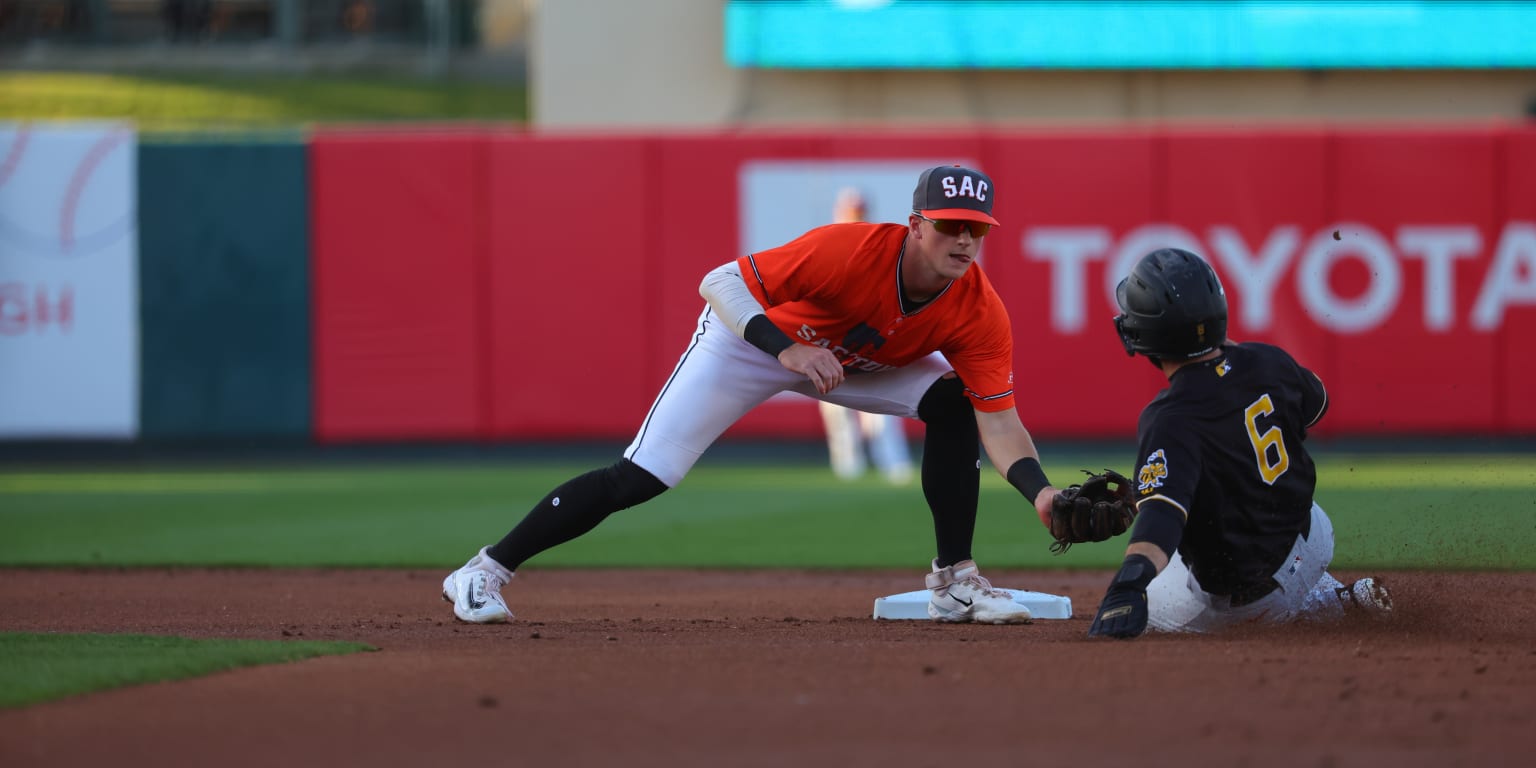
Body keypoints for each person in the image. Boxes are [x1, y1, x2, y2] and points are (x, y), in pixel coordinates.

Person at [444, 165, 1068, 625]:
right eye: (949, 226)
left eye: (975, 230)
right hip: (749, 345)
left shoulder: (980, 310)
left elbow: (1002, 423)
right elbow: (720, 281)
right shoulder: (849, 251)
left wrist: (1042, 495)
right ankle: (483, 570)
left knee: (955, 402)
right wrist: (787, 349)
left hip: (851, 362)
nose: (963, 241)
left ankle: (953, 581)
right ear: (915, 225)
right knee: (640, 477)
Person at [1086, 248, 1394, 639]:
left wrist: (1127, 585)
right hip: (1313, 536)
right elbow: (1316, 404)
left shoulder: (1169, 418)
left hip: (1253, 598)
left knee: (1151, 596)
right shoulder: (1268, 361)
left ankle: (1326, 604)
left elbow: (1161, 522)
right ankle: (1336, 595)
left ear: (1142, 333)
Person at [818, 187, 915, 485]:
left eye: (858, 211)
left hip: (870, 339)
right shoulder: (823, 245)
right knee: (836, 407)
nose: (854, 217)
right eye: (850, 211)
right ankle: (848, 465)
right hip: (829, 338)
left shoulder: (877, 245)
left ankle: (893, 463)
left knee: (883, 405)